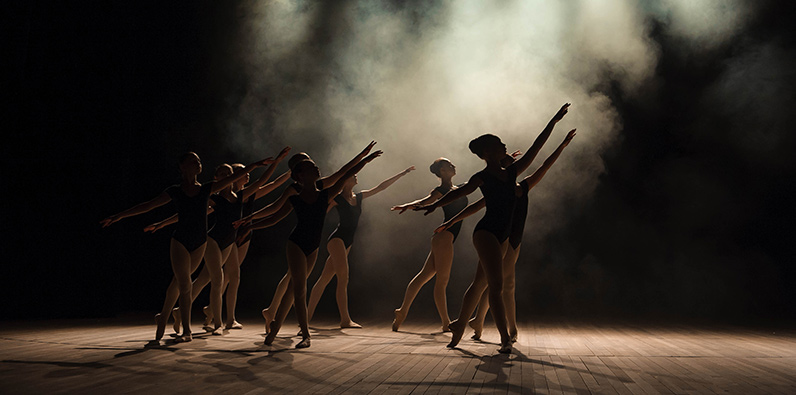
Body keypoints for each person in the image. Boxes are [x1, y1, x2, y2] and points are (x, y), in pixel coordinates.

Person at [418, 103, 572, 353]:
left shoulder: (512, 173)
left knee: (479, 283)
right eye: (500, 143)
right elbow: (464, 193)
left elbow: (537, 150)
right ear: (489, 152)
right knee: (497, 286)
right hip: (486, 233)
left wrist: (553, 122)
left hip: (503, 235)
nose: (505, 145)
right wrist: (436, 206)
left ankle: (458, 328)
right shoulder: (482, 177)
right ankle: (503, 339)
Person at [100, 152, 273, 342]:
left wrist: (255, 165)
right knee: (185, 284)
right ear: (182, 167)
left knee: (179, 283)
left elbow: (234, 178)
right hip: (180, 241)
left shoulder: (207, 189)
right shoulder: (176, 190)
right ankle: (187, 331)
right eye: (193, 161)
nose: (198, 163)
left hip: (199, 242)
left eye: (199, 160)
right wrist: (120, 216)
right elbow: (149, 205)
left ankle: (163, 317)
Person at [241, 147, 381, 348]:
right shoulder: (294, 196)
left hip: (313, 247)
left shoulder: (325, 193)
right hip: (296, 243)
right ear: (299, 175)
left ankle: (273, 330)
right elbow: (274, 215)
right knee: (299, 289)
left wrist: (365, 159)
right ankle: (305, 335)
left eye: (315, 166)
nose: (316, 167)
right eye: (310, 166)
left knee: (292, 290)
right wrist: (250, 223)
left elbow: (345, 174)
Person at [150, 147, 290, 333]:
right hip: (212, 240)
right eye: (222, 174)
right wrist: (162, 223)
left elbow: (264, 182)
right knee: (216, 279)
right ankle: (216, 323)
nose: (226, 177)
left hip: (229, 241)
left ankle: (182, 313)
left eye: (228, 174)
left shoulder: (241, 195)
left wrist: (279, 163)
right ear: (217, 178)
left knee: (215, 278)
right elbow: (188, 213)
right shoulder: (213, 198)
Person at [307, 166, 415, 328]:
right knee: (343, 278)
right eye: (352, 175)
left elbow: (381, 187)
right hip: (337, 240)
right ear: (344, 181)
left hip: (347, 241)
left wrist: (402, 173)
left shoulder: (359, 196)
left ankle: (306, 319)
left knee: (324, 279)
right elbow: (319, 213)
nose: (356, 176)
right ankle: (345, 320)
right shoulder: (337, 199)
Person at [389, 158, 469, 332]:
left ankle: (402, 312)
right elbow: (425, 201)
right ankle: (446, 323)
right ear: (441, 171)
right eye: (448, 164)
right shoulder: (441, 190)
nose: (453, 165)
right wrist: (407, 206)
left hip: (444, 237)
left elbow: (484, 178)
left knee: (423, 276)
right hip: (444, 237)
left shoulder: (460, 187)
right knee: (441, 281)